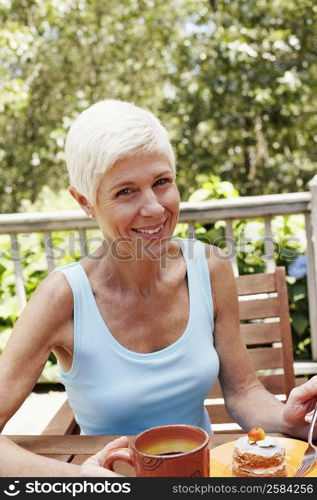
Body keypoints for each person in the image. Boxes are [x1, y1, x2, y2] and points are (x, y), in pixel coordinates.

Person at [0, 99, 316, 477]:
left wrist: (288, 419)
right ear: (85, 202)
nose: (153, 208)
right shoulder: (63, 297)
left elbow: (243, 391)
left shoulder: (210, 268)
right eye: (125, 192)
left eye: (161, 182)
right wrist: (79, 479)